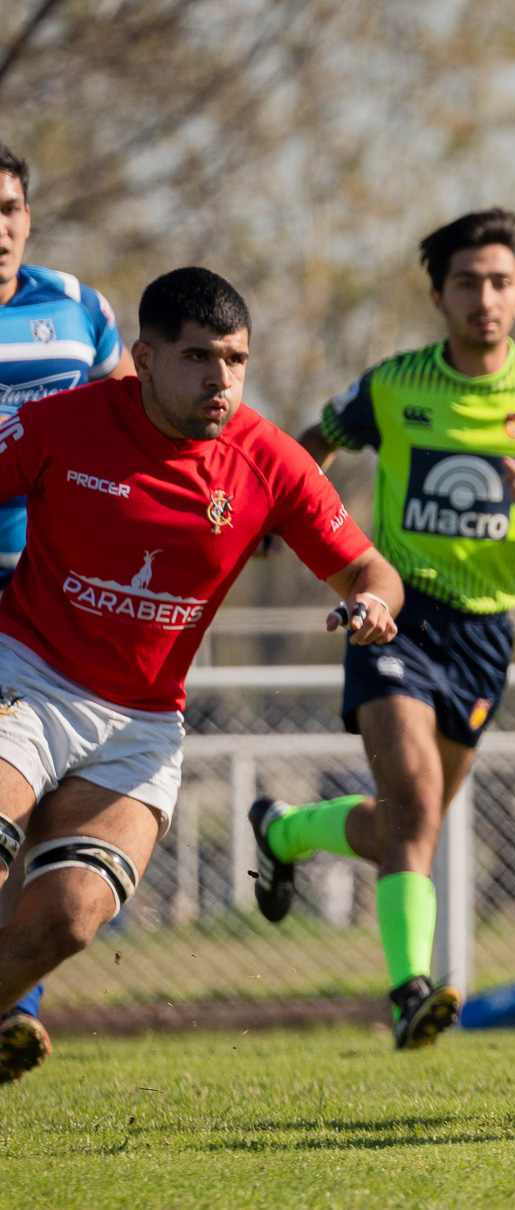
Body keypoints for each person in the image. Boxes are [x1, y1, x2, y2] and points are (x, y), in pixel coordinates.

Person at [0, 268, 400, 1083]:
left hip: (140, 726)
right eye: (198, 357)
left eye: (235, 359)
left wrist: (372, 605)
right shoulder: (58, 424)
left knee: (70, 918)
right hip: (27, 678)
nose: (221, 379)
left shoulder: (269, 460)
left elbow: (370, 568)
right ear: (144, 358)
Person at [251, 209, 515, 1050]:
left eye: (500, 282)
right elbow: (312, 446)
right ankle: (411, 992)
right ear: (438, 296)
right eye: (467, 283)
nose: (485, 298)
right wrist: (278, 516)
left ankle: (285, 831)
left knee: (404, 827)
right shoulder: (394, 384)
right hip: (395, 616)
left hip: (485, 638)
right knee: (413, 807)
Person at [0, 141, 138, 1078]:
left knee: (36, 799)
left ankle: (17, 1000)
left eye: (9, 208)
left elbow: (129, 422)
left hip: (49, 596)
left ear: (29, 217)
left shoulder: (79, 307)